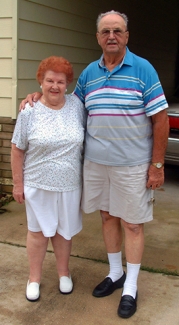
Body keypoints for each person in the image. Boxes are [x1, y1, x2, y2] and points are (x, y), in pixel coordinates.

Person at [20, 10, 169, 318]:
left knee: (132, 223)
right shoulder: (90, 73)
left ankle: (131, 286)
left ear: (126, 36)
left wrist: (156, 164)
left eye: (117, 30)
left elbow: (161, 119)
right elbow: (66, 103)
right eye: (105, 31)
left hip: (133, 165)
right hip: (96, 164)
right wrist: (37, 94)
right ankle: (115, 274)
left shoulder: (144, 70)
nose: (111, 36)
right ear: (98, 37)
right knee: (107, 217)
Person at [11, 56, 86, 302]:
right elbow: (17, 149)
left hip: (69, 184)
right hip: (37, 183)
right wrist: (18, 184)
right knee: (38, 232)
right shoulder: (29, 110)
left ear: (68, 84)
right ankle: (34, 279)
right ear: (40, 82)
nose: (55, 86)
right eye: (49, 80)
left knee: (64, 233)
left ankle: (64, 274)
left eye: (61, 81)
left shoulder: (77, 106)